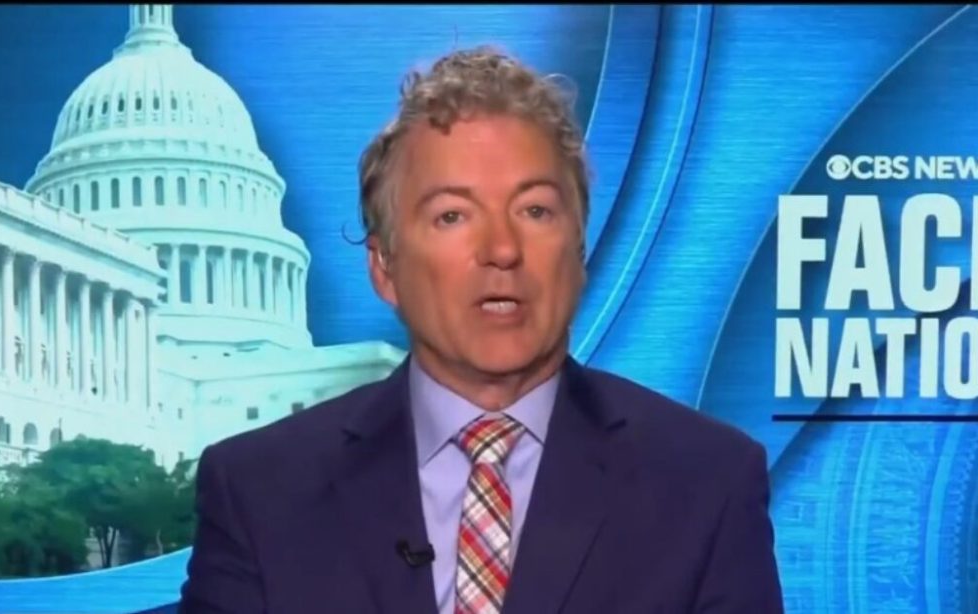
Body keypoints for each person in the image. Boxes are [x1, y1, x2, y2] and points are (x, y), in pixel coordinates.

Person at [179, 45, 784, 614]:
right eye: (452, 215)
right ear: (384, 266)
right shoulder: (260, 494)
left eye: (535, 211)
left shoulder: (707, 483)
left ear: (577, 252)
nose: (502, 249)